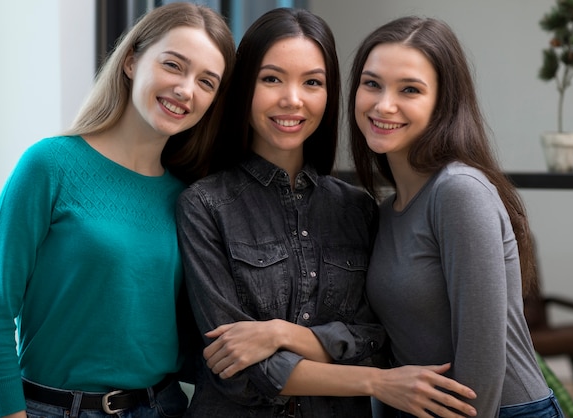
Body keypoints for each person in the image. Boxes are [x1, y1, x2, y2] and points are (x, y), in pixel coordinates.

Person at [176, 8, 478, 418]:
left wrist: (281, 335)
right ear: (244, 86)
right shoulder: (204, 205)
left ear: (330, 93)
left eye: (312, 82)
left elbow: (375, 339)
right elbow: (236, 368)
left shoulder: (358, 209)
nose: (292, 99)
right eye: (271, 79)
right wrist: (376, 383)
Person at [0, 3, 235, 418]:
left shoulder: (190, 198)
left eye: (206, 82)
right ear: (132, 61)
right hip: (54, 408)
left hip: (164, 406)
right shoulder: (50, 165)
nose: (186, 90)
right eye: (174, 65)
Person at [348, 16, 563, 417]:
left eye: (409, 89)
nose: (383, 104)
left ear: (442, 103)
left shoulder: (459, 191)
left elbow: (482, 361)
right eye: (372, 83)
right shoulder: (387, 212)